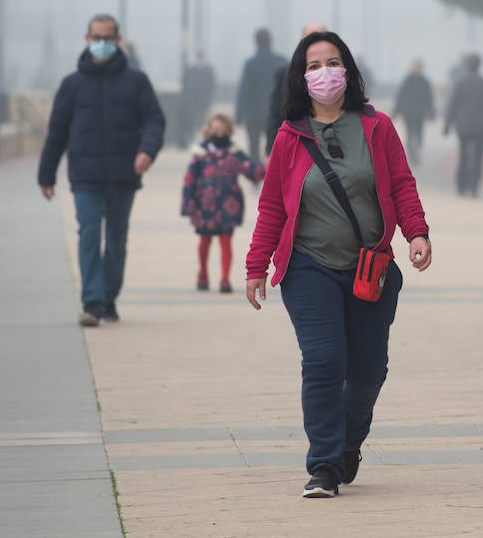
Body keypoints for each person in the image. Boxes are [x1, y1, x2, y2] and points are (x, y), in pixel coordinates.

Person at [245, 30, 433, 499]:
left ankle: (349, 441)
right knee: (325, 360)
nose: (323, 72)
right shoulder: (290, 137)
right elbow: (271, 206)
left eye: (331, 62)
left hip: (371, 267)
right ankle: (324, 466)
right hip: (309, 267)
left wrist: (418, 233)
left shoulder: (377, 127)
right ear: (300, 77)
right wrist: (255, 266)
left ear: (347, 70)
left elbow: (403, 184)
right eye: (312, 66)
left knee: (369, 370)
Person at [38, 13, 165, 327]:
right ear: (87, 39)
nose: (102, 44)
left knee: (117, 240)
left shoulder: (136, 81)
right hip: (85, 175)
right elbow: (57, 131)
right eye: (97, 38)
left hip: (124, 175)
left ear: (118, 40)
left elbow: (154, 120)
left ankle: (109, 297)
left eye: (108, 38)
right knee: (90, 234)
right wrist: (46, 173)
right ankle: (92, 302)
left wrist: (146, 152)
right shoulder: (72, 85)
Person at [182, 112, 266, 292]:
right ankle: (203, 273)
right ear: (208, 131)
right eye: (215, 130)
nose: (219, 134)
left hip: (228, 205)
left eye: (222, 131)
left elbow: (253, 173)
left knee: (225, 240)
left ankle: (224, 279)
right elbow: (189, 179)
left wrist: (267, 165)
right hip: (204, 204)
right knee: (204, 241)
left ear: (229, 131)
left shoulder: (235, 154)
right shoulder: (200, 154)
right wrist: (187, 203)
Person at [264, 22, 328, 157]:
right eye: (310, 38)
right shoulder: (285, 72)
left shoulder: (336, 73)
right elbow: (275, 112)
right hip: (295, 142)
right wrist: (269, 149)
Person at [444, 53, 483, 197]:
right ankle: (474, 187)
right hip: (481, 125)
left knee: (463, 155)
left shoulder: (461, 82)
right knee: (479, 156)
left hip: (463, 125)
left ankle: (461, 185)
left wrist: (447, 125)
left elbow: (453, 104)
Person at [235, 28, 287, 161]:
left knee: (253, 147)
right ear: (271, 42)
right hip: (277, 112)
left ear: (255, 42)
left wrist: (239, 116)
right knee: (277, 146)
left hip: (254, 114)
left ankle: (256, 176)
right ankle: (275, 174)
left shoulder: (250, 64)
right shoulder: (282, 61)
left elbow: (244, 90)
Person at [392, 59, 435, 165]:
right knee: (419, 131)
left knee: (409, 132)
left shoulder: (407, 79)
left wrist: (396, 111)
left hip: (408, 112)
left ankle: (412, 152)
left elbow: (400, 96)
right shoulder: (424, 81)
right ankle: (417, 148)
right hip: (420, 112)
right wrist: (431, 112)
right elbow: (429, 98)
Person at [181, 51, 217, 148]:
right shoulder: (191, 69)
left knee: (202, 118)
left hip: (203, 99)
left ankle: (203, 136)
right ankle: (197, 136)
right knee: (194, 119)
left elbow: (212, 84)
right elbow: (185, 83)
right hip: (193, 99)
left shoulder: (207, 70)